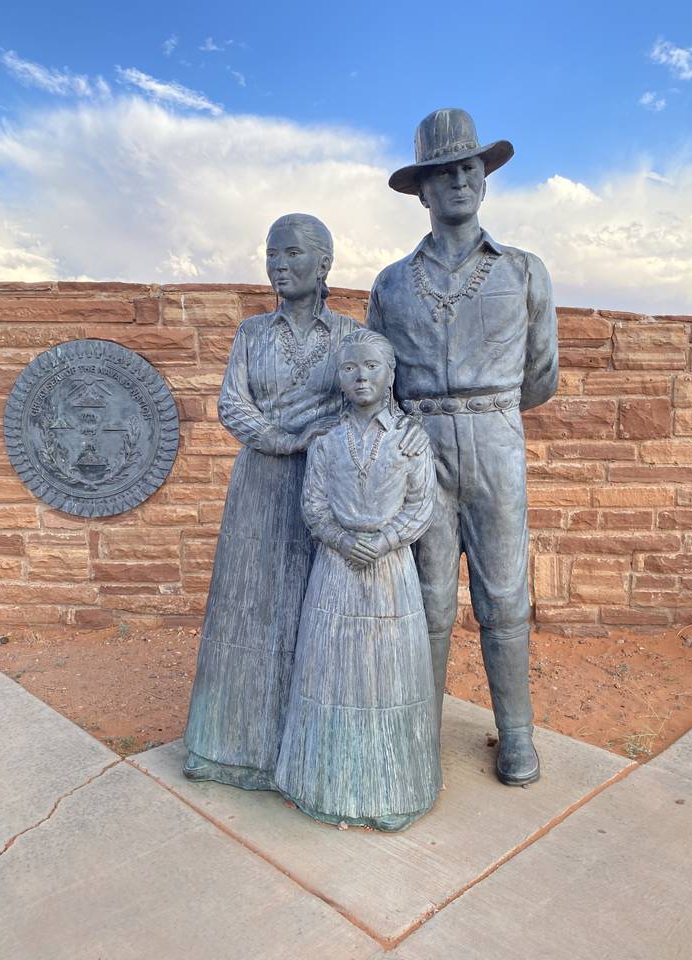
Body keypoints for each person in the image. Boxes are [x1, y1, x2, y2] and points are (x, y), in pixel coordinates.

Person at [367, 108, 559, 786]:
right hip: (420, 445)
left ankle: (517, 738)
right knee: (428, 599)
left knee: (504, 596)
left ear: (485, 178)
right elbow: (377, 378)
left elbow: (541, 376)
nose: (457, 181)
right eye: (442, 172)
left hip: (495, 440)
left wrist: (488, 412)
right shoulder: (392, 283)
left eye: (468, 168)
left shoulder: (524, 272)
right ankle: (418, 735)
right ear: (421, 190)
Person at [183, 214, 360, 789]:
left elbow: (363, 402)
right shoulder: (251, 333)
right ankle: (233, 747)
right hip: (259, 482)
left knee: (317, 609)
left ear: (324, 264)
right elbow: (232, 403)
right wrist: (284, 437)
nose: (278, 266)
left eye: (291, 254)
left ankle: (310, 755)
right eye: (272, 255)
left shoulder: (350, 335)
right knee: (250, 607)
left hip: (325, 484)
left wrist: (322, 437)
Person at [275, 329, 440, 831]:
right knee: (331, 670)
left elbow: (422, 505)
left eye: (371, 366)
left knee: (389, 673)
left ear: (391, 375)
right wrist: (342, 540)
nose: (360, 376)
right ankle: (324, 784)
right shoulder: (327, 441)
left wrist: (386, 540)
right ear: (339, 378)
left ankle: (395, 789)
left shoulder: (411, 439)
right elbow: (313, 505)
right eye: (349, 368)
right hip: (336, 569)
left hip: (391, 572)